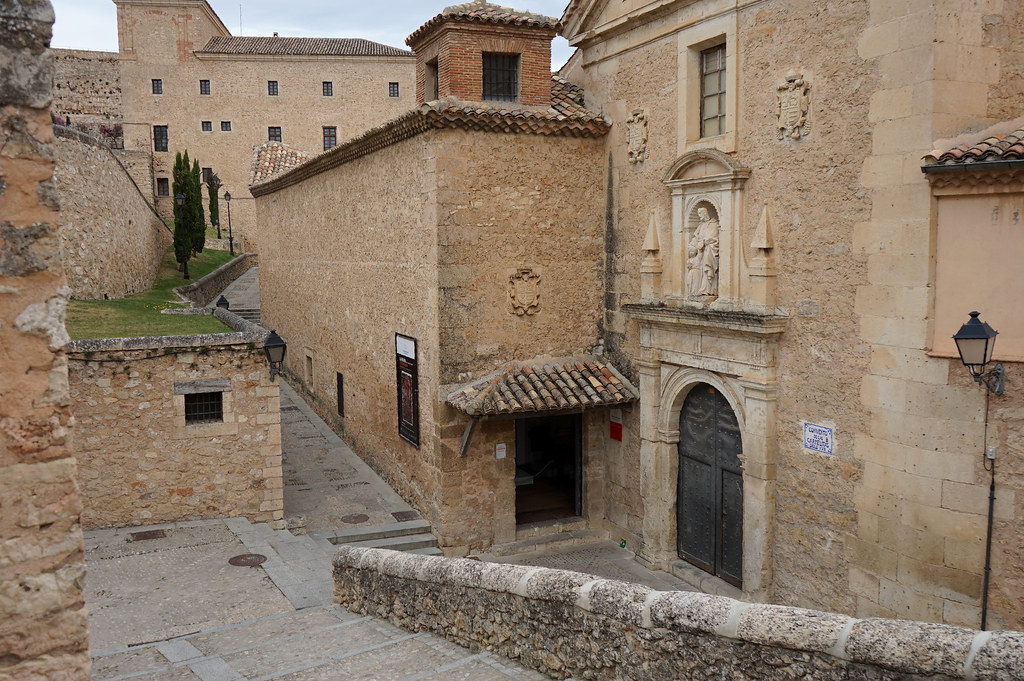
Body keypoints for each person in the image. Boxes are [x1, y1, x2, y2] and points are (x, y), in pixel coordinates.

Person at [686, 206, 720, 296]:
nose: (699, 215)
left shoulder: (713, 224)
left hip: (708, 251)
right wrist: (692, 246)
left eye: (700, 213)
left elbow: (713, 237)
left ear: (705, 213)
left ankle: (708, 290)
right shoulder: (700, 225)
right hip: (700, 252)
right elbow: (695, 237)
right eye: (698, 214)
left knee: (707, 268)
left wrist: (703, 242)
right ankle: (699, 289)